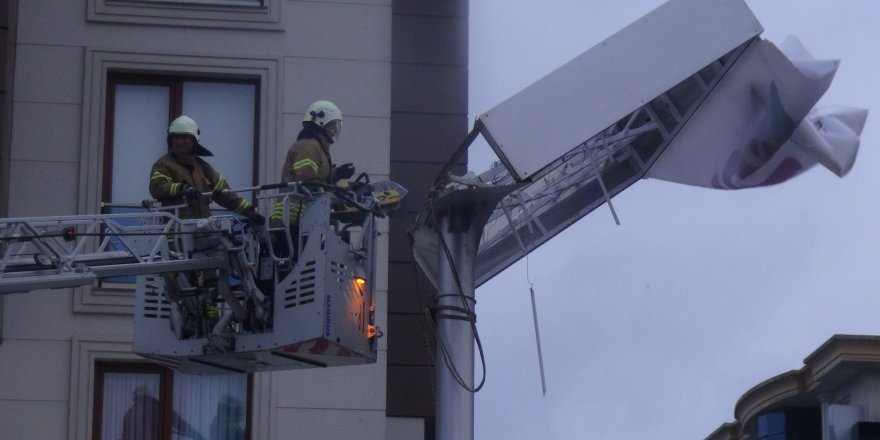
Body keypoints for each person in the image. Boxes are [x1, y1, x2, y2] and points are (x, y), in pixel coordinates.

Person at [269, 101, 355, 252]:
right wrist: (335, 195)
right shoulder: (308, 146)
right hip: (291, 222)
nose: (335, 129)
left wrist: (338, 173)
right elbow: (307, 179)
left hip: (303, 221)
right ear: (321, 122)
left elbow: (317, 177)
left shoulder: (317, 147)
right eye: (332, 124)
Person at [149, 115, 263, 223]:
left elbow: (225, 194)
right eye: (176, 137)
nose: (180, 141)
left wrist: (250, 213)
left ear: (194, 141)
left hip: (203, 230)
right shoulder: (163, 164)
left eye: (184, 137)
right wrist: (182, 189)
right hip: (176, 234)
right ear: (170, 141)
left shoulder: (203, 167)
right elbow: (157, 187)